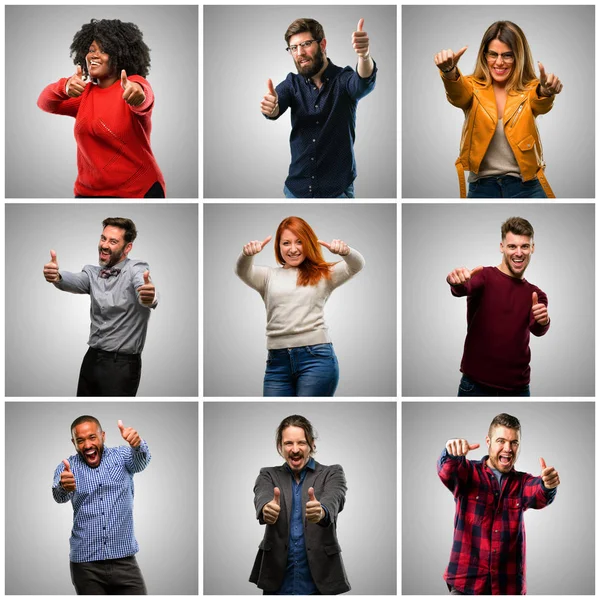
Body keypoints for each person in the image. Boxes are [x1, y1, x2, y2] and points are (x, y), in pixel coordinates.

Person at [236, 216, 365, 396]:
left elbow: (357, 265)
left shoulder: (323, 274)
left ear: (309, 243)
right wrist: (247, 255)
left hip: (316, 360)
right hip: (277, 364)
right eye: (286, 243)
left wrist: (345, 252)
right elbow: (242, 271)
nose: (293, 249)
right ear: (278, 247)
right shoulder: (267, 276)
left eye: (299, 242)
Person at [37, 18, 165, 198]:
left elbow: (143, 97)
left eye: (104, 50)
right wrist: (64, 87)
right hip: (87, 191)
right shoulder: (84, 94)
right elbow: (45, 103)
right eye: (91, 50)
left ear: (121, 55)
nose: (94, 56)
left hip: (137, 190)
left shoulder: (132, 84)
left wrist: (138, 96)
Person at [434, 21, 563, 198]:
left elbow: (539, 101)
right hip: (482, 186)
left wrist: (545, 91)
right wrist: (449, 72)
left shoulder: (531, 88)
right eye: (493, 54)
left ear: (519, 56)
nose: (499, 62)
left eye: (508, 55)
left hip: (528, 186)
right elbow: (458, 95)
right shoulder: (471, 86)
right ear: (484, 55)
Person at [438, 413, 559, 594]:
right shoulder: (468, 473)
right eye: (501, 441)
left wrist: (547, 485)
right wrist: (451, 453)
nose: (508, 448)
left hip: (507, 587)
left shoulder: (522, 482)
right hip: (466, 584)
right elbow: (447, 471)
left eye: (514, 442)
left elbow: (538, 493)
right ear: (488, 441)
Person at [261, 18, 376, 198]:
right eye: (294, 48)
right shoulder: (292, 83)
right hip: (296, 190)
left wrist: (364, 56)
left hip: (337, 191)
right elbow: (276, 105)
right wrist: (271, 108)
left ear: (322, 44)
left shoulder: (343, 79)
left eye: (306, 44)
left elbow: (363, 82)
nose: (300, 53)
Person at [43, 217, 158, 396]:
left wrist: (149, 296)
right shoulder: (92, 273)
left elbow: (145, 289)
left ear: (127, 247)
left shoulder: (136, 268)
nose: (104, 245)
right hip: (91, 358)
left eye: (113, 241)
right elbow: (72, 280)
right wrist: (56, 276)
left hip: (121, 365)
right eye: (103, 238)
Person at [447, 216, 549, 396]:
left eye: (524, 246)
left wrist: (544, 320)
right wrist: (456, 281)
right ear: (502, 247)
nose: (519, 252)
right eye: (512, 246)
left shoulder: (536, 294)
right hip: (475, 385)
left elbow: (537, 329)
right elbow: (463, 288)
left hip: (518, 389)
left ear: (532, 248)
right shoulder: (484, 276)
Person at [250, 414, 350, 594]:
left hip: (320, 581)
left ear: (312, 444)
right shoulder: (268, 475)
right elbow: (262, 495)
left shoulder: (332, 473)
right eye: (288, 443)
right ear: (280, 446)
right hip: (277, 581)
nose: (295, 449)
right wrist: (266, 508)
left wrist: (322, 511)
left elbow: (335, 498)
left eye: (301, 443)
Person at [52, 415, 151, 594]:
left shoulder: (122, 456)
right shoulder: (67, 468)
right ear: (73, 442)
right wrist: (63, 487)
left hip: (125, 562)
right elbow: (58, 496)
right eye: (80, 440)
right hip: (85, 565)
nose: (87, 445)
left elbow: (141, 461)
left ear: (102, 436)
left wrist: (137, 445)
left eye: (92, 437)